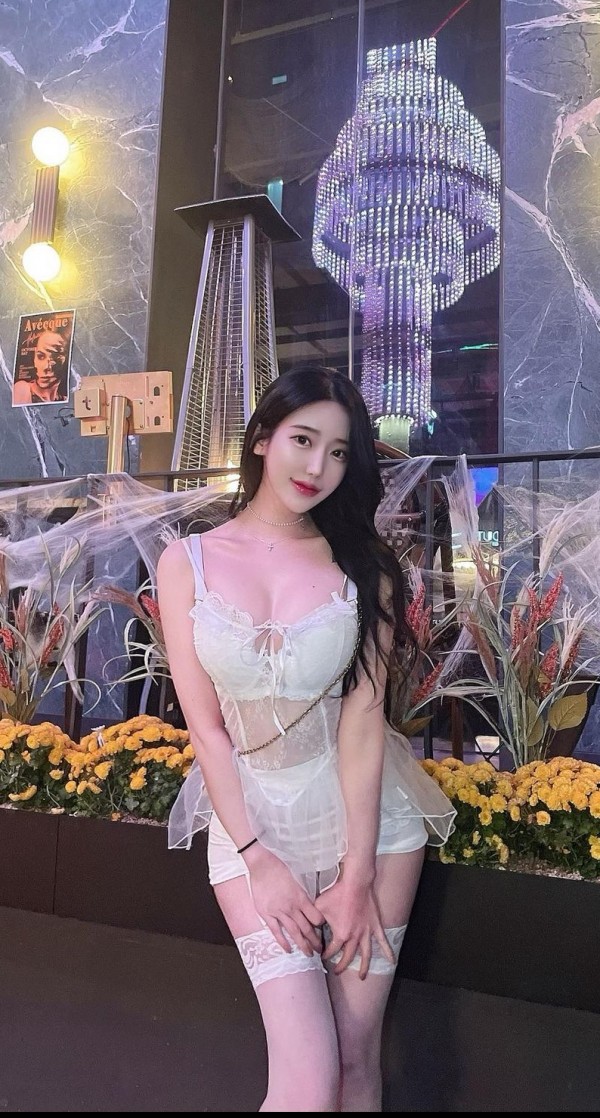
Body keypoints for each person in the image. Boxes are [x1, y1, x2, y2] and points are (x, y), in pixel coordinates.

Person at [157, 366, 455, 1113]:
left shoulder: (364, 567)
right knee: (308, 1080)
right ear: (263, 438)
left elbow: (363, 721)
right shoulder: (186, 562)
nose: (317, 466)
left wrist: (357, 876)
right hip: (252, 830)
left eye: (339, 452)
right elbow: (207, 730)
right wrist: (257, 858)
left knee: (354, 1063)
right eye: (303, 440)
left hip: (372, 829)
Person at [13, 329, 68, 405]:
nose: (46, 367)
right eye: (40, 356)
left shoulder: (65, 400)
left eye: (55, 358)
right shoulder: (23, 388)